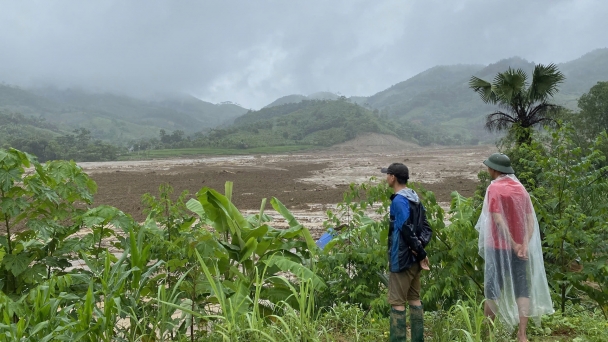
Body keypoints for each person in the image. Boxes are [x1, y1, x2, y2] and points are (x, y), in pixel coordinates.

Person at [475, 153, 554, 342]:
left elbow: (497, 218)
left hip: (497, 246)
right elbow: (530, 219)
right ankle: (522, 334)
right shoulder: (521, 189)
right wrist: (523, 245)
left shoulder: (494, 188)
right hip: (521, 249)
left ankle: (488, 334)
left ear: (494, 169)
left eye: (489, 167)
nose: (488, 170)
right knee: (522, 287)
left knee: (493, 288)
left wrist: (512, 243)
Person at [382, 162, 431, 342]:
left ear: (393, 177)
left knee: (397, 303)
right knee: (414, 299)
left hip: (401, 258)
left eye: (387, 174)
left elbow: (404, 227)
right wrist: (420, 251)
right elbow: (426, 228)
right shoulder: (415, 198)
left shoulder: (399, 200)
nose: (386, 177)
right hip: (414, 259)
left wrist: (419, 251)